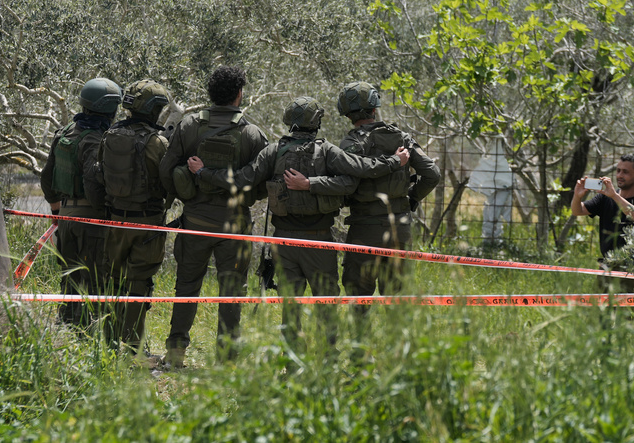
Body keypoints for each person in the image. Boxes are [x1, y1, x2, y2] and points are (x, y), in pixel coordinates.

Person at [189, 96, 409, 351]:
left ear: (288, 121)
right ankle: (328, 362)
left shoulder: (273, 151)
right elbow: (358, 171)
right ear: (317, 122)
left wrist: (203, 173)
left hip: (284, 242)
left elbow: (240, 180)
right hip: (319, 242)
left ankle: (292, 364)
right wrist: (395, 162)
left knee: (290, 308)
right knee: (327, 305)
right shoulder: (327, 151)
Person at [158, 65, 268, 367]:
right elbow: (262, 181)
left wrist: (187, 196)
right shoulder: (252, 133)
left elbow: (167, 170)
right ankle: (227, 360)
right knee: (232, 290)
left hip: (194, 222)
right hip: (235, 226)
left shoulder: (189, 126)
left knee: (186, 286)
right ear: (238, 94)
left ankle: (175, 353)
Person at [336, 82, 440, 317]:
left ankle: (361, 352)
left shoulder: (350, 144)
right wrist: (411, 199)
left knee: (358, 299)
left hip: (363, 230)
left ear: (347, 112)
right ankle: (396, 352)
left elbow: (343, 184)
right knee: (398, 299)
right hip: (399, 229)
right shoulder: (402, 138)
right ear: (374, 108)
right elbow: (432, 174)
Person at [86, 80, 171, 357]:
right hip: (147, 223)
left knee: (113, 280)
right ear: (153, 109)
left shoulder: (110, 135)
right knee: (139, 284)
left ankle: (109, 344)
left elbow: (98, 175)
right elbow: (170, 183)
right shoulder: (158, 142)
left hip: (114, 220)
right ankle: (134, 348)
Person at [40, 77, 122, 329]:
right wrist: (105, 214)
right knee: (95, 279)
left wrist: (57, 209)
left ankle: (65, 327)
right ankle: (90, 333)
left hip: (65, 216)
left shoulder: (64, 133)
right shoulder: (96, 138)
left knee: (70, 277)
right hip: (90, 219)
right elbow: (92, 183)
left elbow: (46, 177)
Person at [571, 154, 634, 291]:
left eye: (625, 172)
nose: (619, 175)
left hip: (633, 270)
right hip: (607, 268)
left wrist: (614, 196)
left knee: (628, 313)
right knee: (600, 312)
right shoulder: (605, 198)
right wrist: (577, 196)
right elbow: (578, 211)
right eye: (618, 171)